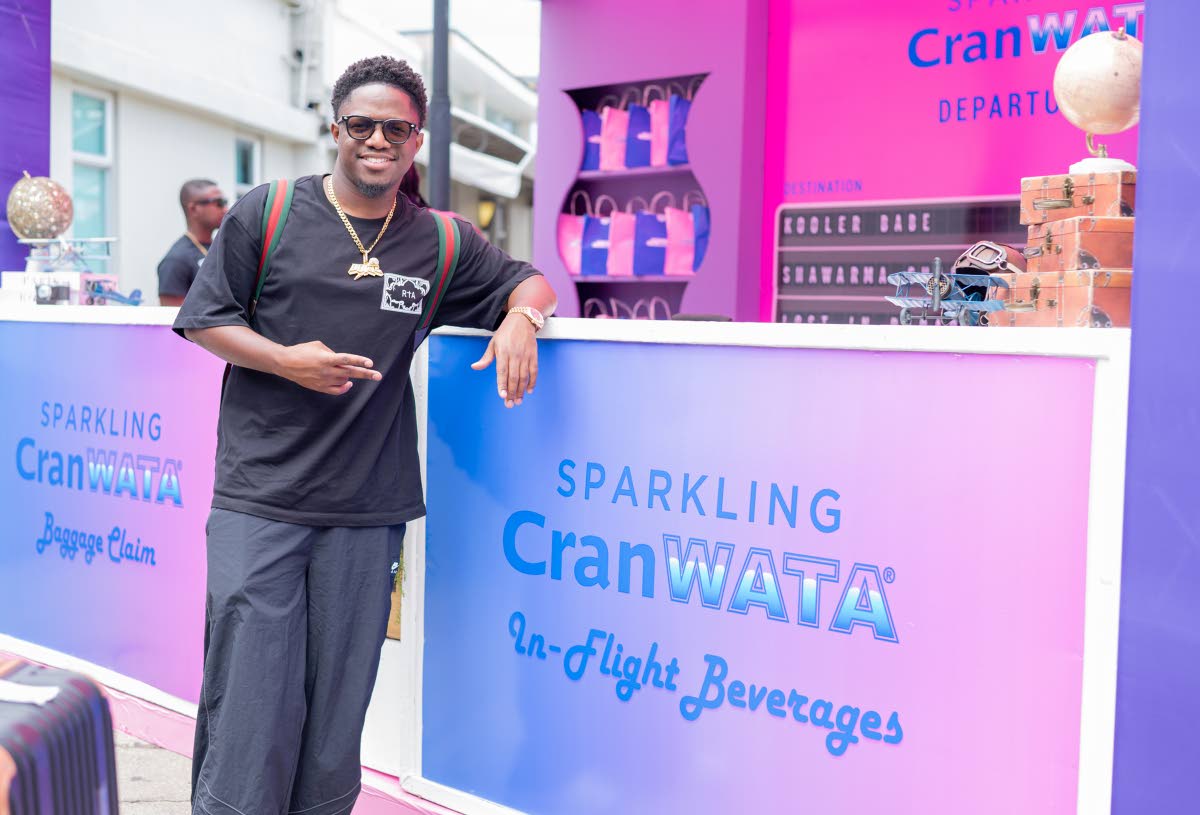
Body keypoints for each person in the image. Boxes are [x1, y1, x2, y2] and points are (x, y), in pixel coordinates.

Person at [173, 55, 556, 815]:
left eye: (396, 128)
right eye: (362, 125)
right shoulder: (269, 210)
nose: (377, 139)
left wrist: (523, 317)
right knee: (251, 697)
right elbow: (204, 318)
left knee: (337, 714)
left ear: (415, 141)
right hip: (261, 497)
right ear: (336, 130)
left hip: (365, 507)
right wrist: (287, 361)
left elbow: (529, 279)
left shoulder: (439, 241)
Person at [157, 179, 228, 306]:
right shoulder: (176, 260)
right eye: (219, 203)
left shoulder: (220, 248)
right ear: (194, 209)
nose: (225, 209)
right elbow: (173, 319)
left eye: (225, 202)